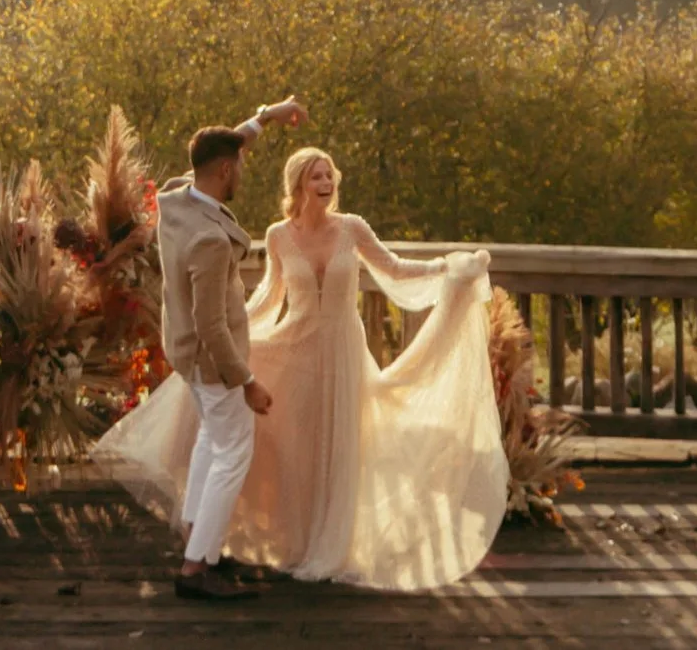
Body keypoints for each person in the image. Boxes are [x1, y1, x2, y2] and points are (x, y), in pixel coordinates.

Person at [97, 136, 509, 595]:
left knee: (335, 447)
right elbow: (269, 296)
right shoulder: (277, 235)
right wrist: (230, 345)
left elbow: (394, 269)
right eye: (317, 175)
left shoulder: (352, 229)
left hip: (341, 353)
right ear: (297, 184)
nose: (326, 181)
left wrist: (449, 269)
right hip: (293, 348)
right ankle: (252, 543)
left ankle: (317, 544)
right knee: (287, 449)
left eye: (330, 174)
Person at [142, 99, 305, 600]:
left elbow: (222, 147)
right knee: (233, 451)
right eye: (239, 167)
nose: (243, 174)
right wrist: (248, 382)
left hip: (185, 354)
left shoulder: (176, 199)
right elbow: (212, 325)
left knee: (212, 444)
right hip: (212, 361)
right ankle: (195, 570)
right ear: (224, 171)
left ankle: (199, 540)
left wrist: (266, 116)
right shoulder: (209, 241)